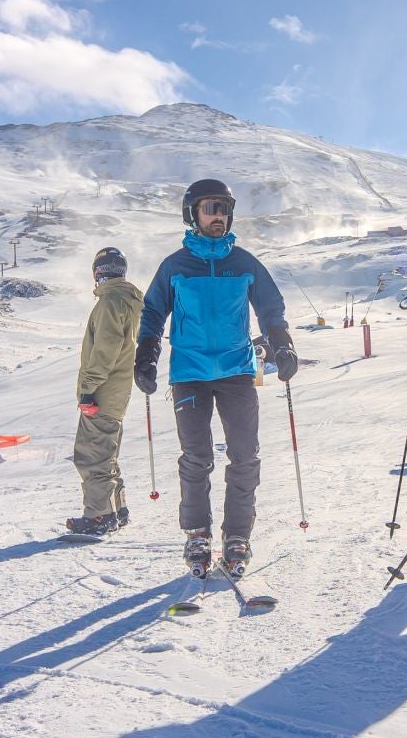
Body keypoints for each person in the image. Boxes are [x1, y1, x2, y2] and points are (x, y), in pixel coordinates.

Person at [135, 179, 296, 579]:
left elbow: (271, 308)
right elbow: (153, 312)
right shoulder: (175, 266)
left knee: (245, 455)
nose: (218, 215)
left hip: (238, 371)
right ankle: (198, 535)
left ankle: (238, 537)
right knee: (197, 458)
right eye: (210, 208)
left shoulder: (244, 263)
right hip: (189, 374)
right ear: (193, 213)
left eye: (224, 208)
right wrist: (146, 354)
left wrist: (283, 344)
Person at [67, 247, 142, 537]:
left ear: (98, 273)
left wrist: (88, 389)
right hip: (116, 391)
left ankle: (100, 516)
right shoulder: (127, 300)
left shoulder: (110, 301)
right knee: (105, 454)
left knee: (91, 455)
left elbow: (105, 350)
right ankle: (116, 509)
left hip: (103, 392)